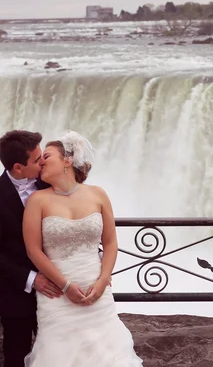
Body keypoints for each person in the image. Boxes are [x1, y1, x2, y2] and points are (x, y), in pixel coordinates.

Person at [22, 130, 142, 367]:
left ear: (67, 160)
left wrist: (103, 279)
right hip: (56, 295)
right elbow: (33, 251)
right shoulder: (38, 200)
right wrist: (65, 286)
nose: (41, 161)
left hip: (96, 290)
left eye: (47, 156)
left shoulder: (98, 194)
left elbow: (110, 242)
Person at [0, 130, 64, 367]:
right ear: (18, 167)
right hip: (17, 296)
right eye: (37, 160)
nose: (43, 162)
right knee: (17, 357)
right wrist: (32, 279)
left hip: (60, 289)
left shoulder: (51, 182)